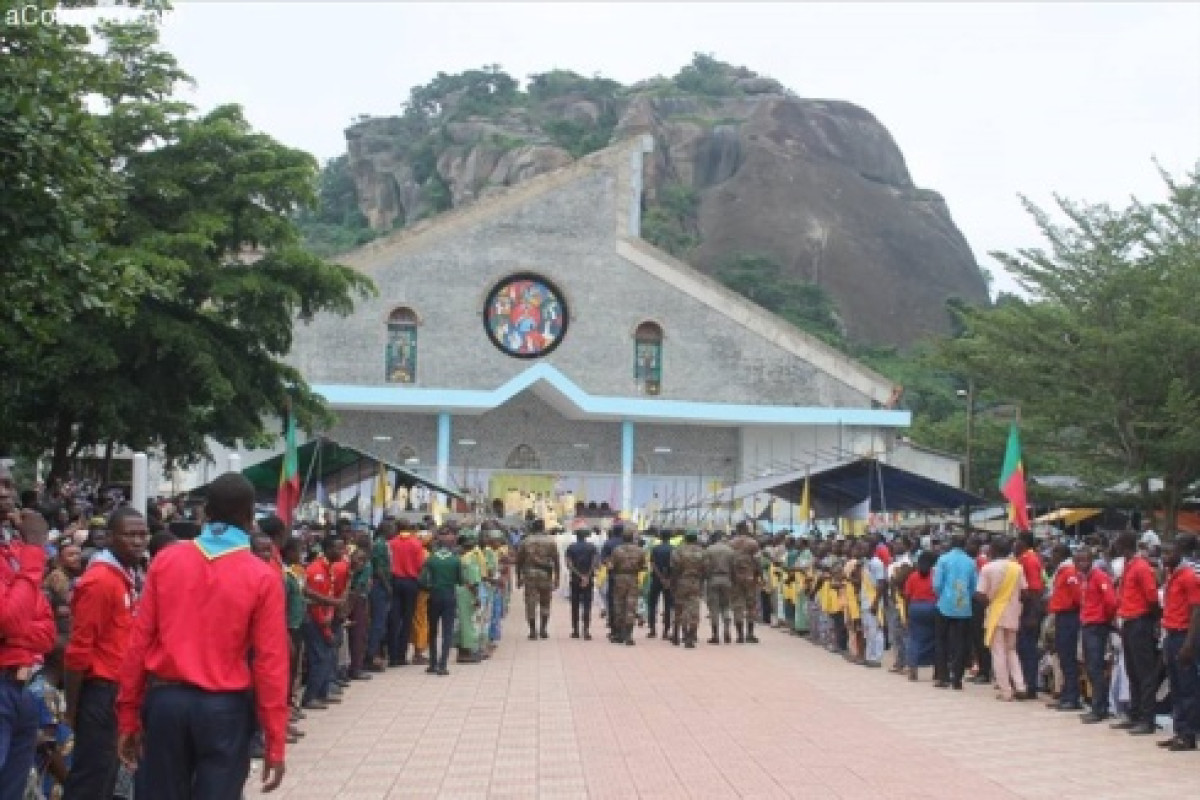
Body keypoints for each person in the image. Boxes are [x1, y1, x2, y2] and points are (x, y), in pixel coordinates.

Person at [115, 472, 288, 797]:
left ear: (205, 512)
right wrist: (275, 740)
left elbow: (138, 643)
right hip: (224, 711)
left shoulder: (166, 561)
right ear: (251, 517)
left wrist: (127, 714)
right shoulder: (263, 577)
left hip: (166, 705)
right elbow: (270, 663)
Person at [62, 507, 148, 798]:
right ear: (110, 537)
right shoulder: (100, 581)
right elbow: (79, 649)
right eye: (129, 535)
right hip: (100, 692)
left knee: (106, 776)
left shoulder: (125, 576)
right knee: (91, 777)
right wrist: (72, 709)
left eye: (142, 535)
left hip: (118, 691)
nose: (138, 541)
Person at [1, 481, 57, 799]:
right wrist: (35, 548)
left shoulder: (12, 551)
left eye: (7, 484)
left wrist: (15, 632)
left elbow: (47, 633)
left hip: (22, 687)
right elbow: (10, 620)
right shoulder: (27, 552)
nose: (4, 492)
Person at [1110, 531, 1160, 736]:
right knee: (1132, 671)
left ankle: (1147, 719)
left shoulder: (1140, 566)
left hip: (1140, 621)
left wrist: (1153, 621)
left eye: (1117, 543)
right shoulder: (1128, 565)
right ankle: (1135, 713)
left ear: (1124, 545)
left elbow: (1152, 597)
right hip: (1129, 621)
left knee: (1144, 672)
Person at [1159, 535, 1200, 750]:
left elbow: (1196, 611)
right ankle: (1179, 730)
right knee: (1175, 686)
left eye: (1169, 553)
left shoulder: (1188, 576)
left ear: (1179, 553)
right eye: (1163, 553)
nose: (1164, 557)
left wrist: (1189, 644)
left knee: (1187, 687)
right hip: (1170, 633)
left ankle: (1189, 734)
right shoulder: (1171, 575)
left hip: (1183, 635)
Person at [977, 537, 1027, 702]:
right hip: (1013, 612)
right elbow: (1024, 592)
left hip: (995, 613)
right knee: (1011, 650)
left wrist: (991, 601)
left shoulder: (987, 568)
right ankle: (1020, 686)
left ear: (994, 550)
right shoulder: (1017, 568)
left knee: (998, 652)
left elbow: (980, 594)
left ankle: (1006, 690)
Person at [932, 533, 976, 690]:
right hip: (963, 606)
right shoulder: (970, 562)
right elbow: (973, 586)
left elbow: (937, 584)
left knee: (941, 641)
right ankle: (957, 679)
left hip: (944, 604)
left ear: (951, 544)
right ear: (965, 545)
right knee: (961, 643)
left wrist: (942, 596)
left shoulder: (943, 559)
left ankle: (943, 677)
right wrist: (965, 597)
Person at [422, 528, 464, 676]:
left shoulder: (431, 559)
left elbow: (423, 580)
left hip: (434, 596)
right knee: (447, 631)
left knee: (432, 630)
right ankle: (443, 665)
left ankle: (432, 663)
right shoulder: (455, 560)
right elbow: (460, 580)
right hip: (449, 596)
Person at [1046, 543, 1083, 710]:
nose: (1052, 557)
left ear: (1061, 555)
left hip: (1069, 616)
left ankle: (1072, 697)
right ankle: (1066, 694)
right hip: (1062, 616)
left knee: (1068, 657)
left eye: (1054, 553)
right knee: (1063, 656)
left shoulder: (1069, 571)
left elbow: (1077, 596)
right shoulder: (1061, 571)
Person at [387, 521, 426, 667]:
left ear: (397, 528)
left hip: (395, 582)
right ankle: (401, 656)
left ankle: (392, 656)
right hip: (411, 583)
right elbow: (420, 565)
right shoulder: (416, 543)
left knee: (394, 619)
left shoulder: (391, 543)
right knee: (407, 619)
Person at [515, 519, 561, 640]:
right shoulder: (551, 541)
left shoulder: (525, 541)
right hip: (546, 575)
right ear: (543, 527)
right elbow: (556, 560)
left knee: (530, 602)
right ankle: (543, 630)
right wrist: (557, 578)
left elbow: (519, 561)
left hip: (530, 575)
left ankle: (532, 631)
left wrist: (518, 577)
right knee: (545, 602)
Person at [1014, 533, 1047, 699]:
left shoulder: (1029, 560)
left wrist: (1033, 614)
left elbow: (1035, 588)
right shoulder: (1027, 558)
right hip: (1026, 608)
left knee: (1028, 648)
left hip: (1030, 609)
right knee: (1023, 648)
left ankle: (1030, 685)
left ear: (1024, 542)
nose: (1015, 544)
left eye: (1017, 540)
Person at [607, 527, 645, 646]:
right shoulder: (640, 550)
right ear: (632, 538)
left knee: (619, 605)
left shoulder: (617, 550)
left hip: (619, 579)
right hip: (633, 579)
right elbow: (643, 566)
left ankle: (619, 634)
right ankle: (629, 635)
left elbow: (611, 566)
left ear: (623, 538)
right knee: (631, 607)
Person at [903, 551, 938, 681]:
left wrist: (907, 614)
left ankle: (913, 668)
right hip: (932, 608)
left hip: (915, 608)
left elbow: (907, 596)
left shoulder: (912, 576)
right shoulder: (935, 575)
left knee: (915, 639)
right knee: (934, 639)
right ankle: (936, 670)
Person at [669, 530, 707, 648]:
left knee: (679, 609)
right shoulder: (702, 552)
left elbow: (674, 569)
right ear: (696, 539)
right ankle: (690, 636)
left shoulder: (678, 551)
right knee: (694, 610)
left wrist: (673, 584)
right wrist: (701, 582)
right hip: (695, 582)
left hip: (681, 581)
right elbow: (705, 569)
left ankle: (677, 635)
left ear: (685, 538)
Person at [365, 522, 394, 671]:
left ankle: (376, 653)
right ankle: (371, 656)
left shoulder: (383, 544)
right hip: (380, 586)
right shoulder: (380, 545)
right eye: (392, 528)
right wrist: (387, 586)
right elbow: (379, 568)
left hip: (383, 584)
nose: (394, 530)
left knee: (380, 623)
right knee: (378, 622)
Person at [729, 522, 761, 644]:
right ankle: (750, 634)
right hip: (750, 577)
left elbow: (729, 561)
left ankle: (740, 635)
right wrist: (759, 575)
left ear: (737, 529)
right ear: (746, 529)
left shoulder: (731, 543)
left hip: (735, 578)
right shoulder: (753, 543)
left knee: (737, 605)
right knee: (751, 606)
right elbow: (757, 560)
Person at [565, 527, 599, 639]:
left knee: (574, 605)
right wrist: (587, 576)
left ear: (576, 536)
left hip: (575, 579)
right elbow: (595, 563)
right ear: (585, 537)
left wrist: (580, 576)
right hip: (588, 580)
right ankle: (586, 630)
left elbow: (569, 565)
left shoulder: (571, 547)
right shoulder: (592, 547)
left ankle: (575, 631)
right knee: (587, 605)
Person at [704, 532, 736, 645]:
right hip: (726, 579)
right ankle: (727, 629)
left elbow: (706, 567)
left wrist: (707, 578)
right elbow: (733, 568)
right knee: (726, 606)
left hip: (713, 579)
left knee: (714, 608)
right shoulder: (730, 550)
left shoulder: (709, 550)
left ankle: (715, 635)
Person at [646, 532, 674, 639]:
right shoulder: (673, 549)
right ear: (670, 537)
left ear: (660, 537)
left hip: (656, 579)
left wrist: (660, 577)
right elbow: (674, 566)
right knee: (668, 605)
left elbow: (652, 564)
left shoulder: (655, 549)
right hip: (669, 580)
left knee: (652, 604)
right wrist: (668, 579)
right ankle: (666, 631)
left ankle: (652, 629)